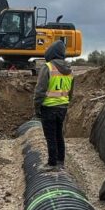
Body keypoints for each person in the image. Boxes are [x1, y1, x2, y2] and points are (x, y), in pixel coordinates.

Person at [33, 39, 74, 171]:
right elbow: (70, 92)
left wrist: (37, 107)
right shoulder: (69, 70)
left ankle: (52, 164)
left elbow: (40, 90)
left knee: (50, 136)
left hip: (49, 107)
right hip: (63, 107)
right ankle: (61, 161)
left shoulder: (48, 67)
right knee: (59, 135)